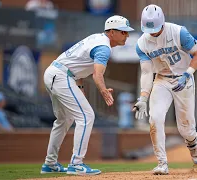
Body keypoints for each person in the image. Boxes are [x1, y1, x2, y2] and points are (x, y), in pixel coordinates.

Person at [41, 15, 134, 175]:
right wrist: (104, 91)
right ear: (112, 32)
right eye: (123, 32)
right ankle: (76, 163)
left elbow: (81, 64)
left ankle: (50, 164)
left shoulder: (97, 39)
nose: (127, 35)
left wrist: (80, 86)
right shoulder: (103, 47)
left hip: (56, 73)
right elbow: (97, 75)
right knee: (86, 116)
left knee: (64, 120)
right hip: (62, 76)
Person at [133, 4, 197, 175]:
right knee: (155, 118)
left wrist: (188, 74)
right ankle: (162, 163)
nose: (152, 32)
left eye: (155, 29)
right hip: (162, 80)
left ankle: (193, 145)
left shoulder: (178, 32)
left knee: (185, 129)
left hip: (183, 79)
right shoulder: (142, 43)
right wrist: (143, 97)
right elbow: (146, 72)